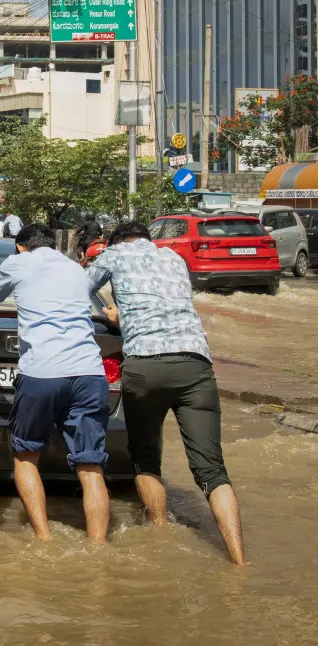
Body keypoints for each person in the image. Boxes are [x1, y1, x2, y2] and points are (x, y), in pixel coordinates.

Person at [88, 221, 246, 565]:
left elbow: (79, 289)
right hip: (196, 365)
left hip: (146, 365)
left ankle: (159, 537)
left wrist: (114, 317)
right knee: (212, 471)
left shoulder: (112, 255)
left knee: (146, 459)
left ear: (117, 242)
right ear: (149, 239)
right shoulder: (174, 258)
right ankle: (238, 560)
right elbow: (167, 304)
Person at [0, 223, 111, 543]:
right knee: (91, 466)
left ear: (20, 246)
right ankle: (98, 546)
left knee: (26, 456)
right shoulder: (75, 268)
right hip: (89, 373)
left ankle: (44, 538)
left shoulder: (18, 262)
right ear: (54, 245)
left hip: (42, 373)